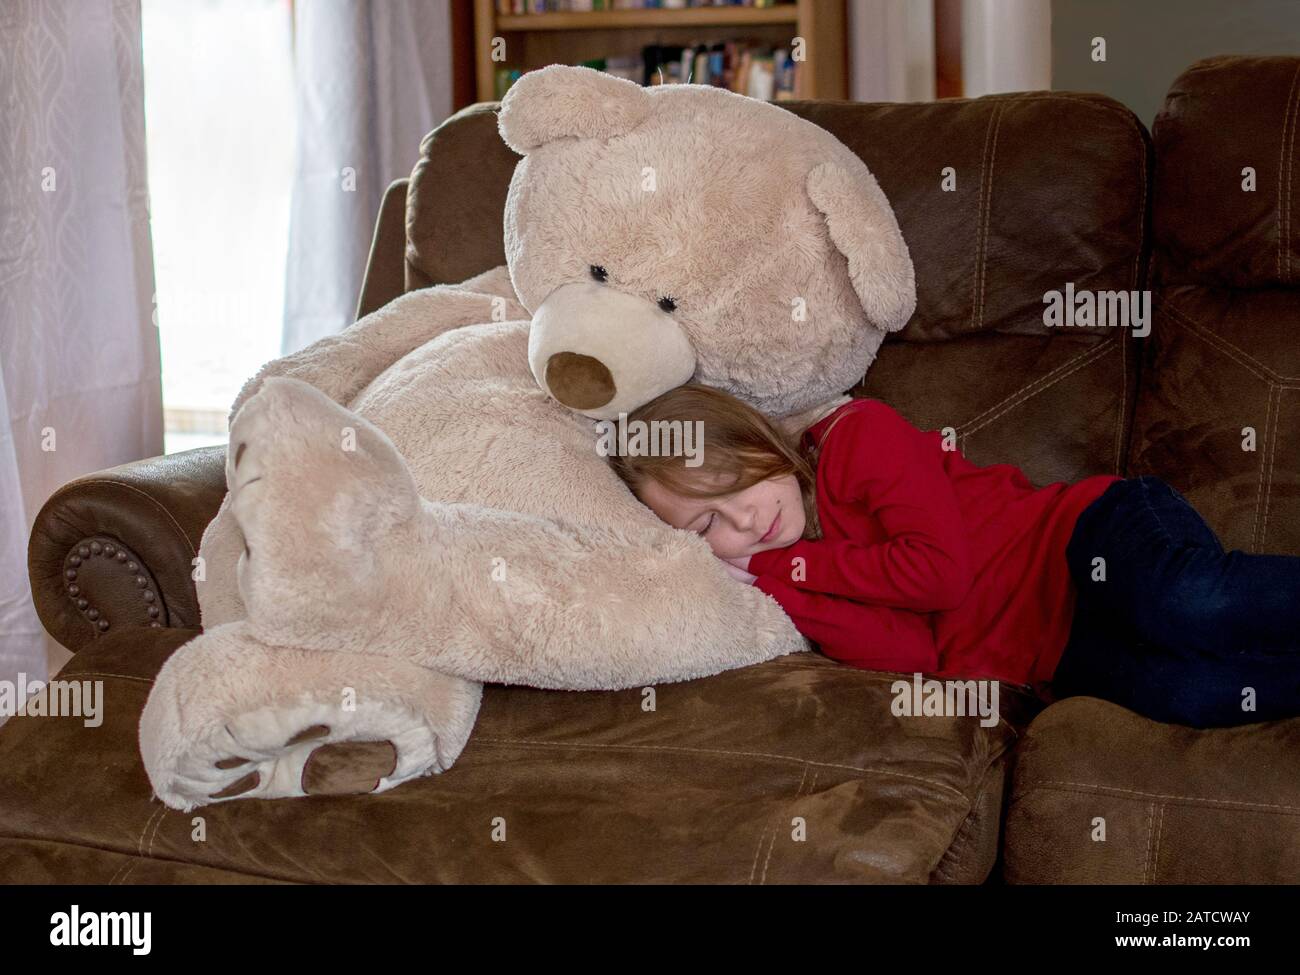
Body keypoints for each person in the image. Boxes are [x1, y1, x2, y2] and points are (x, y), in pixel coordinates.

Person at [607, 383, 1300, 729]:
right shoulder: (797, 580)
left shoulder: (856, 436)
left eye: (737, 486)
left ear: (760, 440)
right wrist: (783, 589)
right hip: (1060, 650)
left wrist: (781, 569)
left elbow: (940, 575)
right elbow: (915, 650)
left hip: (1085, 539)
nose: (746, 521)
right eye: (707, 526)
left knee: (1184, 602)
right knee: (1178, 693)